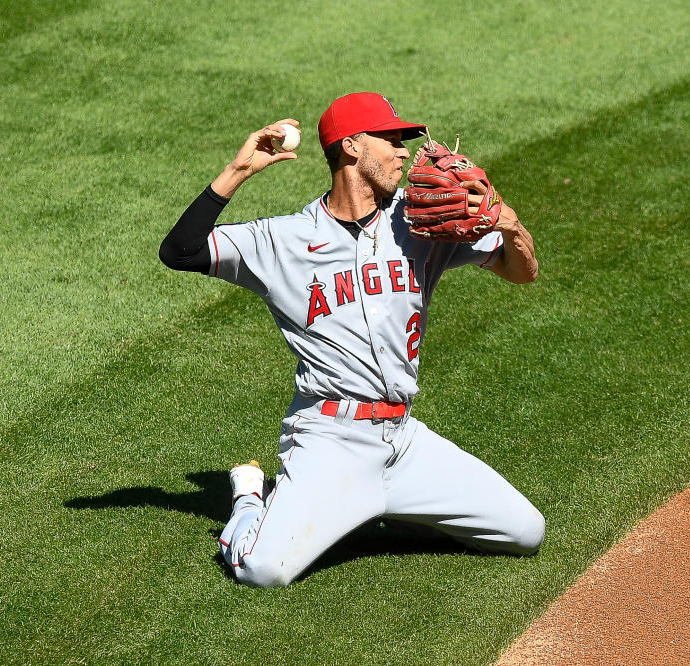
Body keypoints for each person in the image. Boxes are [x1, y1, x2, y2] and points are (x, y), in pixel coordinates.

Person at [159, 92, 545, 587]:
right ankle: (251, 498)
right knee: (261, 570)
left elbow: (522, 272)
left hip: (402, 442)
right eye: (390, 139)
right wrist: (239, 170)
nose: (404, 152)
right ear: (351, 147)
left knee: (525, 532)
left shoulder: (420, 220)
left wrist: (509, 223)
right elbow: (180, 251)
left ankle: (387, 506)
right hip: (330, 441)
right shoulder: (283, 241)